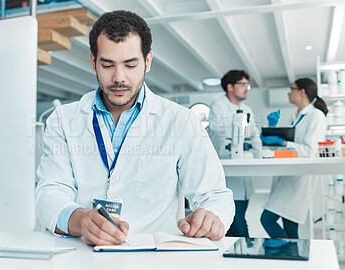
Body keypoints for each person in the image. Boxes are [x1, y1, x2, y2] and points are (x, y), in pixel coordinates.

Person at [35, 10, 234, 246]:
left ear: (147, 61)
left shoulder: (181, 121)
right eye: (107, 64)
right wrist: (80, 219)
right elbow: (48, 192)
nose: (119, 78)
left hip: (152, 255)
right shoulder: (63, 119)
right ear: (93, 61)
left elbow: (215, 195)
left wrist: (211, 216)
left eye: (130, 65)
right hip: (81, 253)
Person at [260, 78, 328, 239]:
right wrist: (272, 129)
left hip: (300, 178)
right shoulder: (294, 117)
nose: (289, 93)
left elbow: (310, 151)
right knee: (290, 227)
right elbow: (278, 147)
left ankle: (291, 253)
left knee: (267, 219)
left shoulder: (316, 116)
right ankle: (295, 259)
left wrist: (282, 142)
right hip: (288, 175)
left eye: (292, 89)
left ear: (302, 91)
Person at [208, 70, 262, 237]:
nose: (246, 88)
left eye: (248, 85)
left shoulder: (246, 109)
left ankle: (236, 254)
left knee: (239, 217)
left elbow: (254, 134)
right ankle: (245, 253)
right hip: (228, 171)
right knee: (236, 223)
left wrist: (260, 157)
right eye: (243, 84)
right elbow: (219, 134)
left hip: (245, 172)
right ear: (230, 87)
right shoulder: (218, 107)